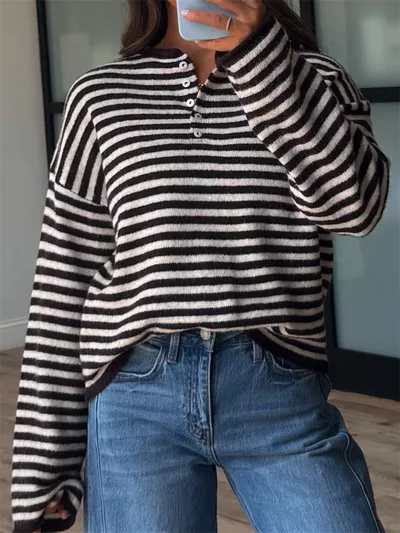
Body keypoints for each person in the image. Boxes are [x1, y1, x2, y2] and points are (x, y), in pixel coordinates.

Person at [10, 0, 390, 531]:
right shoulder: (100, 96)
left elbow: (355, 209)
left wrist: (262, 60)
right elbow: (64, 272)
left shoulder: (316, 78)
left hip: (276, 385)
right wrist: (42, 462)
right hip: (135, 393)